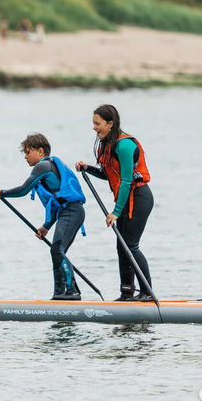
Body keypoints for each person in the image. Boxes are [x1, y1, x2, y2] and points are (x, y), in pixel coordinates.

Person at [0, 133, 86, 300]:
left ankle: (73, 292)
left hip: (72, 212)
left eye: (28, 152)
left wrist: (2, 193)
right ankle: (59, 293)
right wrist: (47, 226)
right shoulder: (48, 167)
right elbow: (57, 203)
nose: (25, 157)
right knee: (57, 252)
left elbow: (23, 190)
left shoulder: (42, 166)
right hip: (68, 212)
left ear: (41, 151)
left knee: (57, 250)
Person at [75, 104, 154, 302]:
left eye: (97, 123)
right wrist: (89, 169)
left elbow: (127, 180)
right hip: (126, 200)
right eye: (93, 123)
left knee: (131, 246)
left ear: (110, 124)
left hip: (139, 199)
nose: (94, 127)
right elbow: (108, 174)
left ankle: (147, 292)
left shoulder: (125, 146)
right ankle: (127, 293)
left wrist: (116, 212)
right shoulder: (106, 145)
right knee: (122, 247)